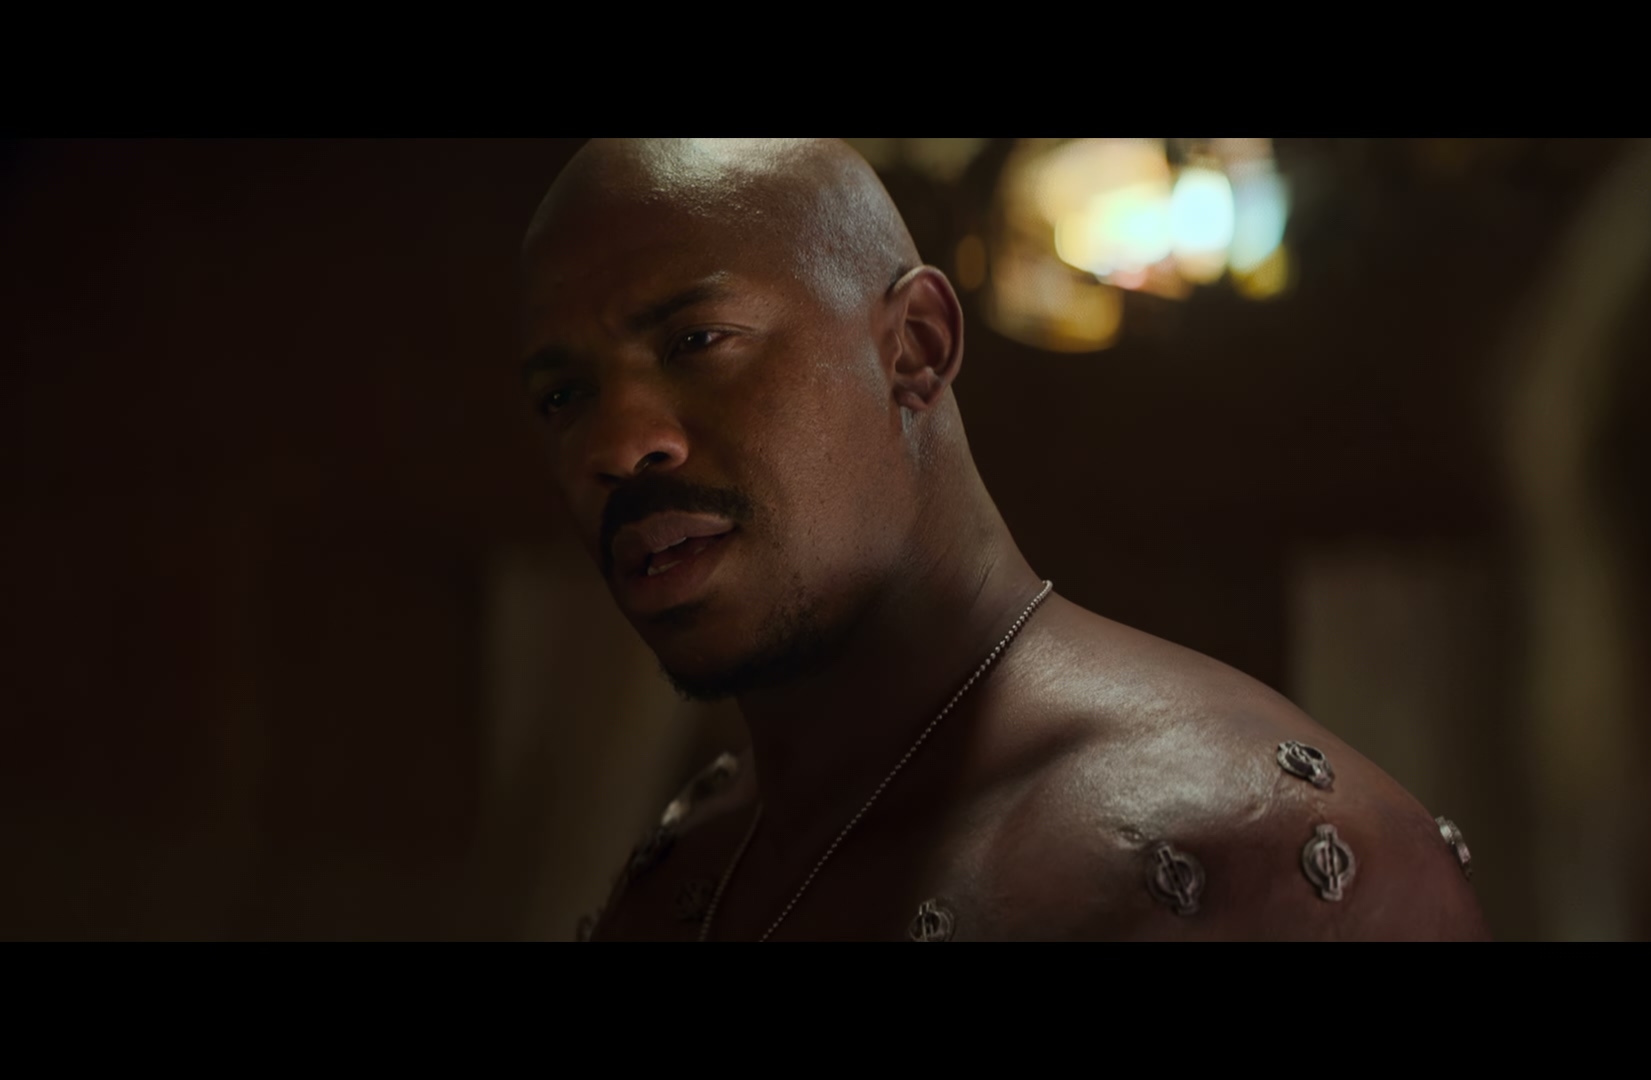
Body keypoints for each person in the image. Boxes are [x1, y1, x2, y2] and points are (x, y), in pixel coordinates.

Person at [517, 138, 1487, 941]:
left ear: (915, 346)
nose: (615, 445)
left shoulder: (1260, 854)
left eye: (695, 342)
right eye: (564, 395)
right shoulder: (691, 865)